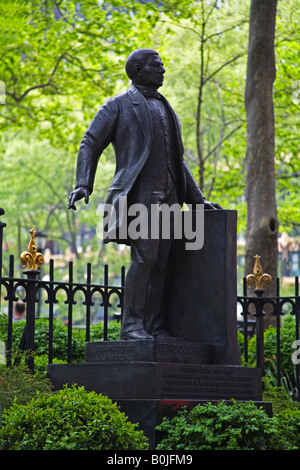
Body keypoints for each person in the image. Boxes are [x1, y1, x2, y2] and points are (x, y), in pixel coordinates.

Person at [68, 48, 221, 340]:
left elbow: (178, 160)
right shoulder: (118, 105)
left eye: (162, 65)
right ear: (138, 70)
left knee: (164, 261)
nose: (162, 70)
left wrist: (198, 199)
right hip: (140, 195)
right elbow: (90, 143)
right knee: (145, 259)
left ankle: (155, 326)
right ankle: (132, 326)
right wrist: (83, 184)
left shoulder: (166, 107)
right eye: (156, 65)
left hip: (171, 196)